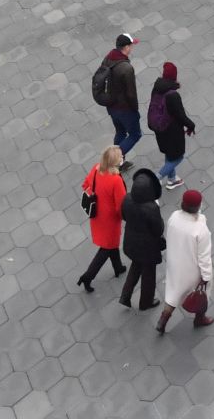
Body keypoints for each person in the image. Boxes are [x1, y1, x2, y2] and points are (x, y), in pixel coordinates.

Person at [156, 189, 214, 333]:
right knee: (202, 293)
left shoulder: (174, 217)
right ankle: (199, 318)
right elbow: (204, 257)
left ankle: (163, 320)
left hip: (174, 265)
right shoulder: (200, 229)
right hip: (192, 269)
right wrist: (206, 277)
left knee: (174, 293)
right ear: (198, 206)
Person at [77, 146, 128, 292]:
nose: (122, 158)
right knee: (106, 247)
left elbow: (85, 185)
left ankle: (118, 267)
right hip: (110, 220)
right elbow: (121, 206)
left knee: (111, 244)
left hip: (97, 215)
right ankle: (87, 276)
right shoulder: (116, 180)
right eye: (120, 157)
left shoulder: (96, 168)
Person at [119, 165, 166, 310]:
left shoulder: (127, 198)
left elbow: (123, 216)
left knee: (136, 266)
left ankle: (125, 296)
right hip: (148, 247)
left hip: (131, 242)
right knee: (149, 274)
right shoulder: (151, 208)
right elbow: (158, 229)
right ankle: (146, 302)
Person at [148, 62, 197, 189]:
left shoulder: (157, 87)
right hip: (172, 132)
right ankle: (157, 177)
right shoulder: (173, 96)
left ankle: (172, 179)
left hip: (159, 128)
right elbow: (180, 115)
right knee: (178, 157)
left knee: (169, 154)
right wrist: (191, 125)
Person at [97, 33, 142, 156]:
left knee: (121, 132)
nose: (132, 48)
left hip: (111, 106)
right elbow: (131, 94)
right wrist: (135, 110)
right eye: (131, 45)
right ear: (126, 47)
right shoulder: (127, 68)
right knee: (135, 135)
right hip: (124, 109)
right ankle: (113, 161)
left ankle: (119, 163)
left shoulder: (108, 57)